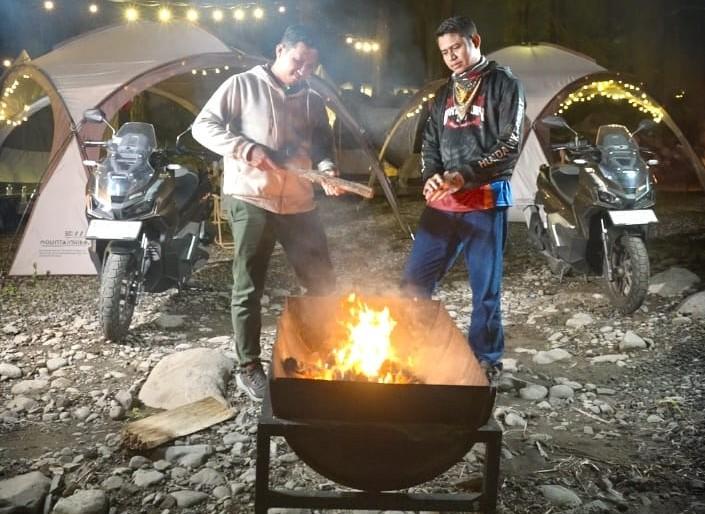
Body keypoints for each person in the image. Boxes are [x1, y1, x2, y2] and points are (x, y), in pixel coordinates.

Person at [192, 25, 342, 402]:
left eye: (311, 66)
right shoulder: (243, 85)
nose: (303, 71)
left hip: (298, 202)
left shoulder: (312, 99)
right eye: (298, 61)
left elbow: (322, 144)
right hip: (251, 196)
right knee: (249, 286)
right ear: (280, 50)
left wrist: (327, 169)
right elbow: (203, 127)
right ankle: (248, 365)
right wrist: (246, 149)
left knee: (322, 279)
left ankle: (318, 350)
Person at [401, 16, 526, 381]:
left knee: (485, 289)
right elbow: (430, 143)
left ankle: (485, 358)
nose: (451, 56)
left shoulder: (503, 83)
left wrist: (464, 174)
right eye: (445, 52)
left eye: (457, 47)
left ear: (475, 41)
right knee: (413, 283)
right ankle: (416, 350)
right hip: (443, 205)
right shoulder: (443, 94)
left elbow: (510, 143)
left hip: (484, 200)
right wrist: (430, 175)